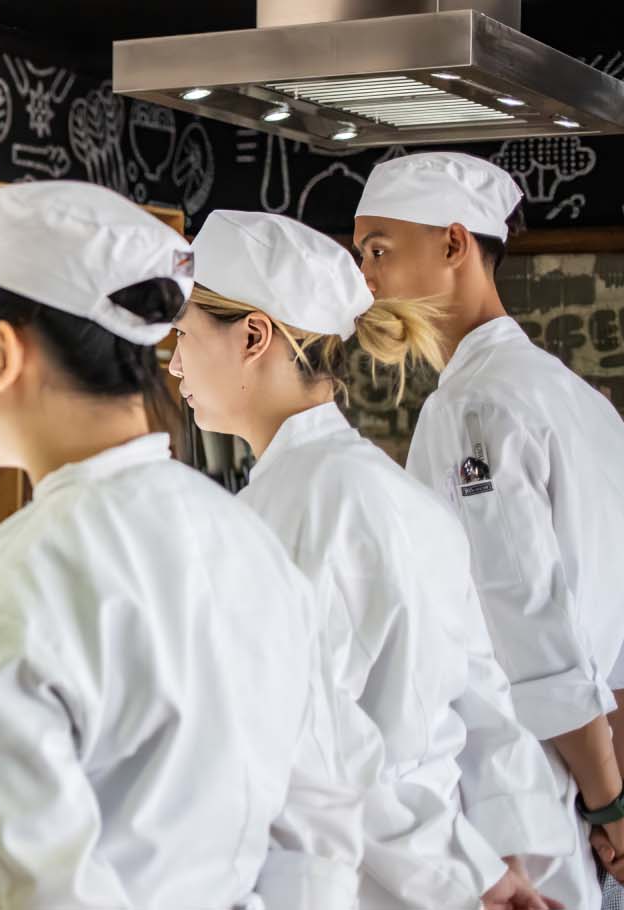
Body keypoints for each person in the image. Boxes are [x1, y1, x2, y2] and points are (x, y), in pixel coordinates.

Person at [0, 181, 372, 908]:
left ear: (2, 352)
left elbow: (27, 890)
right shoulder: (249, 541)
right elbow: (319, 826)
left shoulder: (3, 589)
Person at [172, 209, 570, 910]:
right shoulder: (388, 489)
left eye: (182, 335)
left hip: (366, 879)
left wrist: (471, 872)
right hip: (439, 860)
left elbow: (322, 757)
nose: (173, 364)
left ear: (254, 336)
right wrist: (501, 860)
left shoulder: (292, 513)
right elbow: (482, 696)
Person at [354, 151, 624, 906]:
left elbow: (529, 627)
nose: (366, 276)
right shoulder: (583, 403)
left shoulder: (471, 409)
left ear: (455, 245)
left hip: (516, 808)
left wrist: (610, 809)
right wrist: (620, 802)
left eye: (379, 249)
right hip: (587, 804)